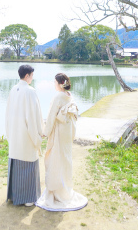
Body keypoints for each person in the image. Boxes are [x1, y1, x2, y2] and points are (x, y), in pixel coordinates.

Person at [35, 73, 88, 211]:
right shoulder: (69, 95)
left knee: (55, 159)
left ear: (59, 83)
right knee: (65, 159)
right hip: (67, 132)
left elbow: (52, 116)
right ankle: (65, 189)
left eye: (54, 82)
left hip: (59, 132)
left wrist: (45, 132)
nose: (53, 84)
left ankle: (56, 191)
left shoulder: (58, 96)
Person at [5, 64, 44, 206]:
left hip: (15, 133)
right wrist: (38, 135)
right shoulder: (30, 91)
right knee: (28, 163)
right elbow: (33, 117)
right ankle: (28, 198)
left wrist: (9, 133)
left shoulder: (13, 89)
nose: (32, 78)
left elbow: (7, 115)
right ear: (27, 75)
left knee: (16, 162)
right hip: (26, 135)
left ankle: (14, 196)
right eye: (32, 75)